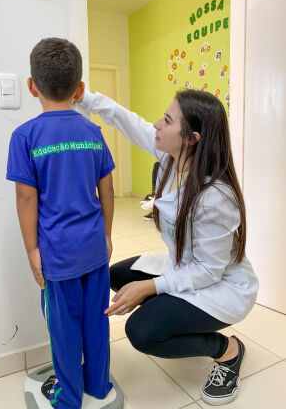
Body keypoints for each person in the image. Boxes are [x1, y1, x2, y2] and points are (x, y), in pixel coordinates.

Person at [76, 89, 259, 406]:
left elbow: (208, 271)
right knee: (113, 275)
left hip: (221, 286)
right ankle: (170, 317)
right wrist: (85, 98)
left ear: (191, 138)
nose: (157, 125)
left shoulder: (215, 196)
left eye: (167, 120)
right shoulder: (170, 159)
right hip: (184, 266)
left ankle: (227, 351)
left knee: (142, 332)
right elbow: (129, 121)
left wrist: (150, 287)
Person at [6, 38, 115, 409]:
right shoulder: (93, 132)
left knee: (64, 328)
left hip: (58, 256)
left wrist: (32, 250)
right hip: (94, 248)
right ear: (79, 89)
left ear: (32, 85)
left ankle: (68, 397)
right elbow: (108, 191)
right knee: (97, 321)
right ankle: (98, 385)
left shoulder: (25, 137)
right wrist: (108, 236)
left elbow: (26, 198)